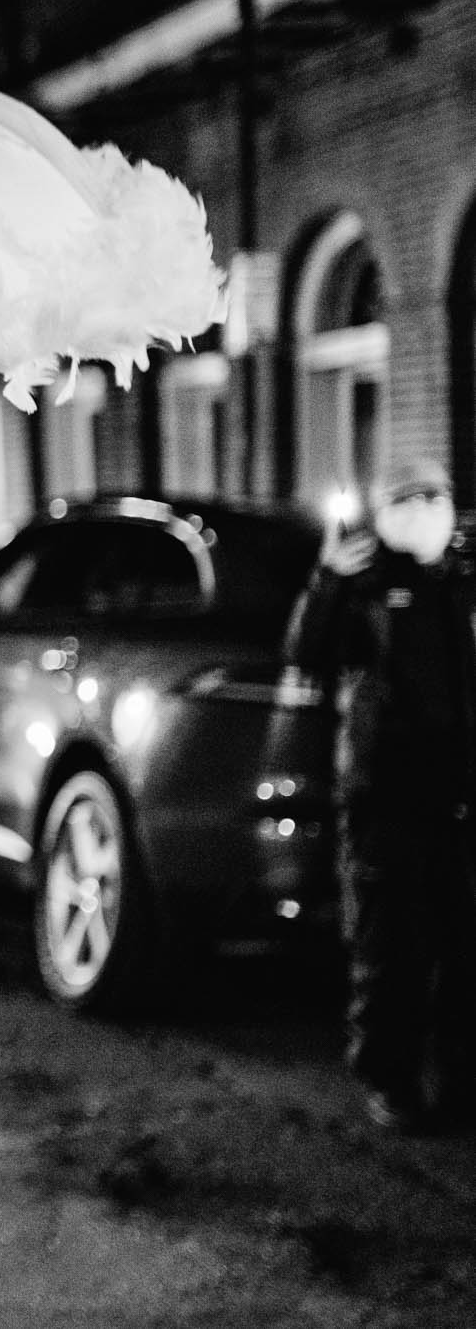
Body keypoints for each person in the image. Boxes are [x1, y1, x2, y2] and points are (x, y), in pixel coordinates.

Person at [284, 457, 476, 1134]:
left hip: (460, 801)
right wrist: (327, 580)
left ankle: (458, 1083)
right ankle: (388, 1080)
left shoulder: (461, 584)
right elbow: (307, 653)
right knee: (389, 950)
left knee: (463, 952)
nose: (424, 508)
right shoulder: (363, 587)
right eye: (408, 498)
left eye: (436, 495)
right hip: (385, 797)